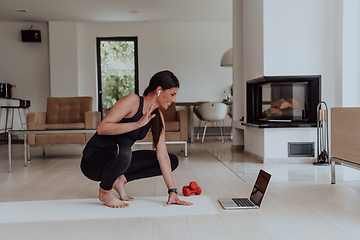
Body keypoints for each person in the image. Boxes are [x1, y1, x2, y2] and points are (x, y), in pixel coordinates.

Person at [80, 70, 192, 208]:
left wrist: (172, 191)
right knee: (124, 150)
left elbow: (162, 154)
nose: (174, 100)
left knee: (172, 160)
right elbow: (102, 128)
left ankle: (120, 180)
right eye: (172, 94)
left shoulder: (157, 117)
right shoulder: (133, 101)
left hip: (119, 159)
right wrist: (138, 124)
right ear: (159, 90)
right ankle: (105, 191)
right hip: (93, 162)